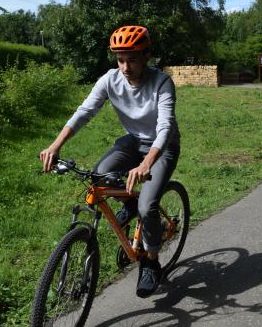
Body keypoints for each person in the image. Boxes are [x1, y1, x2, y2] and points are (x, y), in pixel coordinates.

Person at [39, 25, 180, 298]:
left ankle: (151, 262)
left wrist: (147, 162)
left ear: (146, 55)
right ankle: (130, 204)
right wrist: (55, 145)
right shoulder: (110, 79)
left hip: (162, 148)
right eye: (120, 59)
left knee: (149, 204)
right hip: (132, 140)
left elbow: (165, 127)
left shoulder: (162, 82)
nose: (125, 67)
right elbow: (85, 112)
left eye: (133, 59)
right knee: (100, 175)